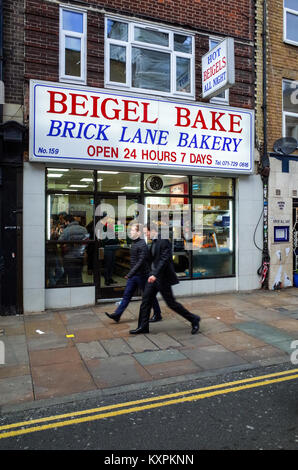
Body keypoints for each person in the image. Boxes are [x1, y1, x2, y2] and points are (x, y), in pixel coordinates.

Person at [129, 222, 200, 335]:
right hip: (153, 277)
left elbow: (164, 260)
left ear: (152, 230)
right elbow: (152, 259)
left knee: (171, 304)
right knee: (146, 301)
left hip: (162, 278)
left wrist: (154, 274)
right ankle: (143, 326)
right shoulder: (154, 242)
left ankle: (193, 319)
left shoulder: (164, 240)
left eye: (146, 232)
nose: (145, 235)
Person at [105, 223, 161, 322]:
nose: (130, 232)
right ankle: (117, 315)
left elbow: (141, 261)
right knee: (127, 295)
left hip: (142, 275)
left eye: (132, 230)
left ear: (138, 233)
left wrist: (130, 273)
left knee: (149, 295)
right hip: (134, 275)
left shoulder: (142, 244)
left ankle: (157, 314)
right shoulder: (134, 242)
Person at [59, 214, 89, 285]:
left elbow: (60, 241)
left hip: (69, 257)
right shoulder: (84, 229)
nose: (65, 224)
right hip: (80, 256)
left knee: (71, 277)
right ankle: (79, 291)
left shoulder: (66, 230)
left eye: (65, 222)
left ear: (67, 222)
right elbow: (87, 241)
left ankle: (73, 293)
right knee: (79, 275)